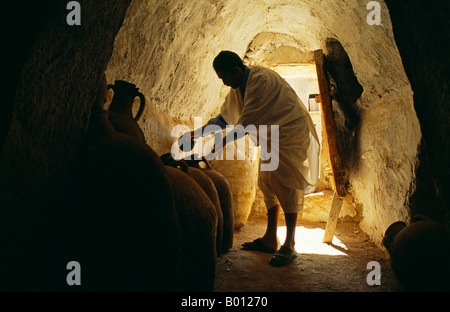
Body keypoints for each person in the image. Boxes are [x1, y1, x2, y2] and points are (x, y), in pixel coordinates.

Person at [183, 50, 320, 266]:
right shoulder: (238, 88)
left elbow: (243, 126)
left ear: (236, 70)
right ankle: (270, 238)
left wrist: (212, 149)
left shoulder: (261, 81)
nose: (225, 83)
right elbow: (224, 119)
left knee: (287, 186)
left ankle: (290, 243)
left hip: (289, 133)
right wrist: (198, 133)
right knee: (267, 182)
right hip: (270, 136)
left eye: (225, 78)